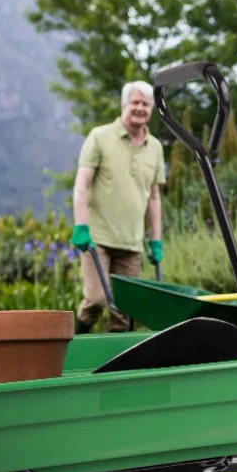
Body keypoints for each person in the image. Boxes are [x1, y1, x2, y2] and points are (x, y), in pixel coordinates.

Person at [69, 80, 166, 332]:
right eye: (135, 102)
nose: (140, 108)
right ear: (124, 104)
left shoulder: (155, 147)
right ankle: (72, 345)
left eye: (146, 104)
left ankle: (114, 365)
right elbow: (82, 184)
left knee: (124, 313)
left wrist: (156, 239)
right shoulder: (100, 137)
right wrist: (80, 226)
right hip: (97, 239)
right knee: (96, 300)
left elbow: (154, 197)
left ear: (151, 109)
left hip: (131, 243)